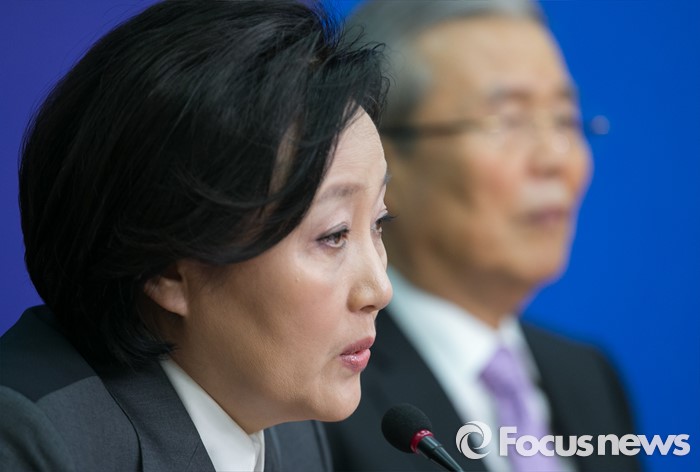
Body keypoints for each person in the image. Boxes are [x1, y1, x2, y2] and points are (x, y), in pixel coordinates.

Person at [0, 1, 393, 470]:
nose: (379, 290)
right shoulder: (30, 438)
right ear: (167, 268)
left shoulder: (286, 425)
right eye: (333, 234)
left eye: (379, 222)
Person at [325, 1, 641, 471]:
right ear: (383, 161)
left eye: (565, 119)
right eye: (508, 121)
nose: (556, 159)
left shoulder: (589, 377)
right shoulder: (323, 394)